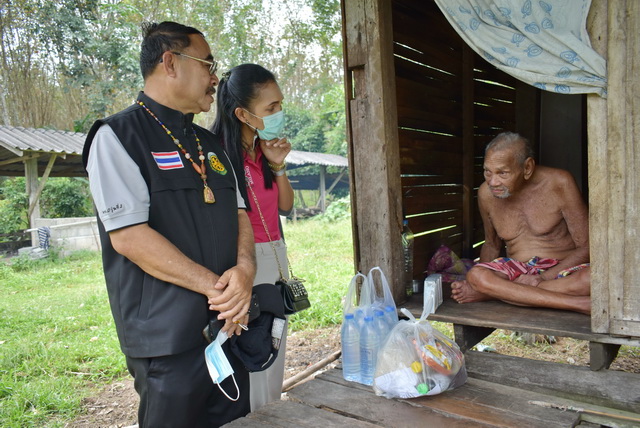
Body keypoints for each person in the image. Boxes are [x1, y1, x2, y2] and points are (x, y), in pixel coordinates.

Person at [82, 22, 256, 427]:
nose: (215, 78)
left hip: (228, 328)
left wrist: (246, 270)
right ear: (170, 62)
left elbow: (239, 214)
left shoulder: (209, 144)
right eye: (208, 64)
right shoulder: (118, 137)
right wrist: (220, 290)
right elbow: (129, 238)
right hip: (168, 340)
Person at [211, 63, 294, 411]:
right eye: (271, 107)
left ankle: (271, 410)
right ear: (243, 114)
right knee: (253, 349)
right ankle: (256, 416)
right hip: (244, 263)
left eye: (280, 104)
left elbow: (286, 206)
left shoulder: (264, 151)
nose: (279, 112)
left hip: (275, 256)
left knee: (275, 344)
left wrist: (278, 164)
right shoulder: (217, 156)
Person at [450, 132, 591, 315]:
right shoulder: (486, 194)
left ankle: (499, 293)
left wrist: (542, 278)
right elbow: (491, 244)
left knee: (591, 280)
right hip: (516, 269)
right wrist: (477, 284)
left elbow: (587, 247)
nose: (493, 182)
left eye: (502, 173)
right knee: (476, 276)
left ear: (527, 167)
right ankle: (578, 304)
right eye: (487, 172)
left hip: (560, 268)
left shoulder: (559, 183)